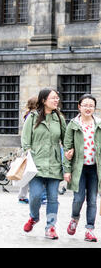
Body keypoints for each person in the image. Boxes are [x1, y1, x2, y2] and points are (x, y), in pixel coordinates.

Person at [21, 88, 66, 240]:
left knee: (53, 198)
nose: (56, 100)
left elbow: (66, 140)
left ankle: (51, 227)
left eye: (57, 98)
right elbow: (25, 141)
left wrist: (69, 152)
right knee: (35, 196)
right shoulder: (32, 117)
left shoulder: (59, 118)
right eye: (53, 98)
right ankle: (34, 217)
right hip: (36, 165)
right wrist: (28, 154)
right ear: (43, 100)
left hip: (54, 164)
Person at [63, 94, 101, 242]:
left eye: (91, 105)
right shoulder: (73, 125)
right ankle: (74, 219)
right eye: (85, 105)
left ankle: (89, 230)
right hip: (78, 168)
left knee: (92, 200)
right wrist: (67, 170)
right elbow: (67, 149)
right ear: (79, 107)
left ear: (94, 108)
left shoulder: (98, 124)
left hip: (95, 169)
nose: (88, 108)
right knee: (78, 198)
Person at [18, 96, 38, 204]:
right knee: (29, 172)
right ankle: (22, 196)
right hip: (29, 148)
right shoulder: (31, 116)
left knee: (27, 172)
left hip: (26, 148)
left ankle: (22, 196)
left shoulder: (28, 114)